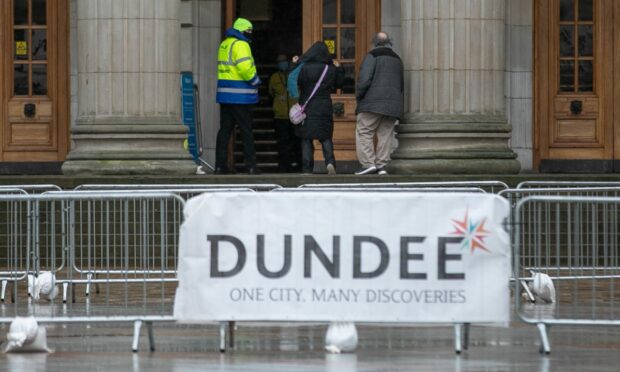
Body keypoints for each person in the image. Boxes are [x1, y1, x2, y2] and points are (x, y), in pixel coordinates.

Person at [214, 18, 261, 175]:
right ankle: (251, 166)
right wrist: (256, 81)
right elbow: (245, 68)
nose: (251, 34)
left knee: (225, 131)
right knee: (246, 131)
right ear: (243, 31)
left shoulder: (225, 44)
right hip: (240, 96)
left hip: (225, 95)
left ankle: (220, 165)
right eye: (249, 31)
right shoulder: (241, 44)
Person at [354, 32, 404, 175]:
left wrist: (359, 97)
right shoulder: (397, 59)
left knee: (364, 131)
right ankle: (382, 165)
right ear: (390, 42)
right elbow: (400, 84)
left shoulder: (372, 56)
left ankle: (368, 164)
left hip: (372, 103)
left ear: (374, 42)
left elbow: (364, 81)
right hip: (392, 104)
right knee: (386, 134)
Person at [295, 42, 344, 175]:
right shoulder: (330, 69)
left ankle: (306, 168)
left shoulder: (304, 67)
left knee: (306, 138)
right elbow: (339, 84)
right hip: (324, 106)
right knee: (326, 137)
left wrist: (295, 64)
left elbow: (295, 82)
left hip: (307, 106)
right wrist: (339, 68)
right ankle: (329, 163)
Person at [268, 54, 301, 172]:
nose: (282, 64)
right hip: (280, 116)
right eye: (280, 62)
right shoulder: (274, 77)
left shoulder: (295, 75)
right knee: (282, 144)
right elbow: (270, 93)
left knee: (296, 143)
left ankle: (298, 166)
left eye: (284, 61)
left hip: (295, 116)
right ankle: (283, 167)